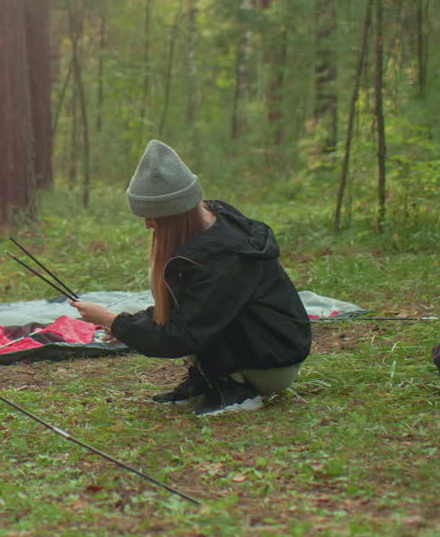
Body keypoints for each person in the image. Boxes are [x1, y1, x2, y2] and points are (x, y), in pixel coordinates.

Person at [69, 140, 311, 417]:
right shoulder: (209, 226)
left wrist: (112, 321)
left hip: (271, 363)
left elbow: (183, 336)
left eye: (152, 217)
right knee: (167, 280)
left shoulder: (225, 258)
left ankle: (235, 389)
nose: (147, 224)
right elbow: (189, 311)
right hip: (259, 347)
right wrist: (127, 325)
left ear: (174, 214)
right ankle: (210, 377)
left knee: (173, 283)